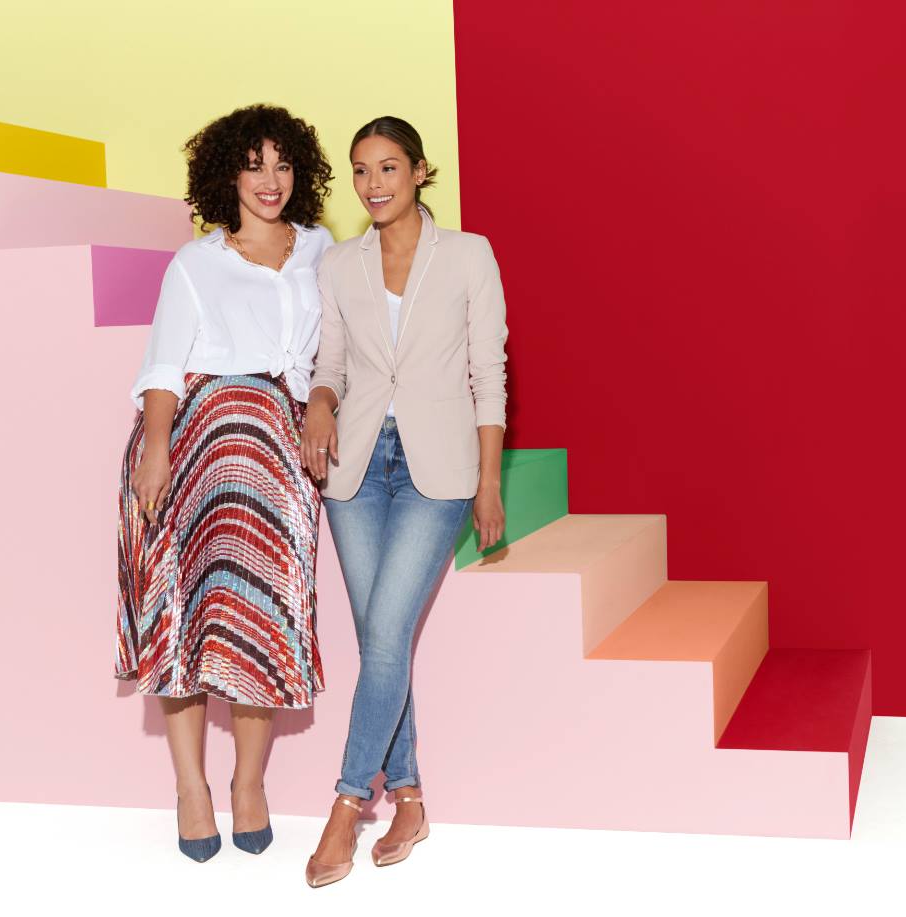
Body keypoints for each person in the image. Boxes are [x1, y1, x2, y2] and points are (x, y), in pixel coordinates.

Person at [116, 104, 334, 862]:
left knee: (259, 612)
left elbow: (335, 353)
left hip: (279, 455)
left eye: (282, 164)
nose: (270, 180)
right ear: (227, 177)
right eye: (253, 165)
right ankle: (189, 787)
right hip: (195, 445)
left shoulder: (321, 249)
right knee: (183, 610)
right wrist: (155, 449)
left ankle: (248, 783)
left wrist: (323, 405)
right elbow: (163, 365)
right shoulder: (196, 263)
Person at [300, 116, 508, 887]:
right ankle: (411, 799)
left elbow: (489, 371)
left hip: (437, 469)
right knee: (380, 639)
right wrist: (319, 402)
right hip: (354, 468)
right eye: (361, 170)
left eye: (388, 167)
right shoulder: (340, 263)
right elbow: (331, 363)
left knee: (385, 632)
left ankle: (348, 803)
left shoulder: (468, 254)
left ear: (420, 171)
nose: (373, 184)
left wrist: (489, 481)